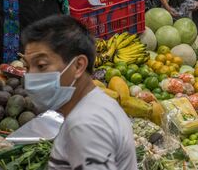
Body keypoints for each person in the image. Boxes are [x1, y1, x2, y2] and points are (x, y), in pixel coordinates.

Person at [22, 15, 136, 170]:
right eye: (28, 67)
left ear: (78, 66)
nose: (30, 76)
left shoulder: (85, 125)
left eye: (41, 65)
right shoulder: (99, 103)